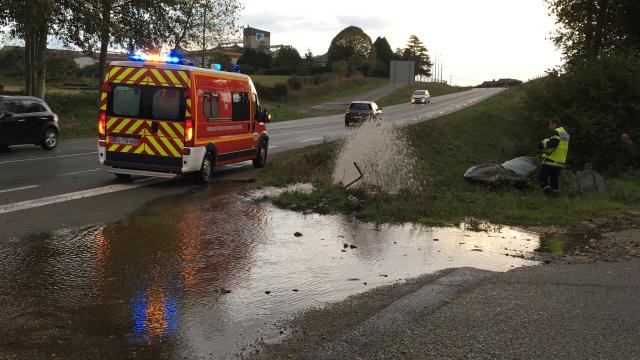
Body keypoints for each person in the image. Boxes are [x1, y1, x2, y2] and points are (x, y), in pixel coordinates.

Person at [538, 118, 570, 197]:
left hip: (551, 160)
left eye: (550, 124)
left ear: (554, 124)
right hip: (560, 162)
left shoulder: (557, 132)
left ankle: (549, 194)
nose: (549, 126)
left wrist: (542, 144)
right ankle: (554, 198)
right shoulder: (565, 133)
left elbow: (553, 143)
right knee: (554, 181)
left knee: (541, 178)